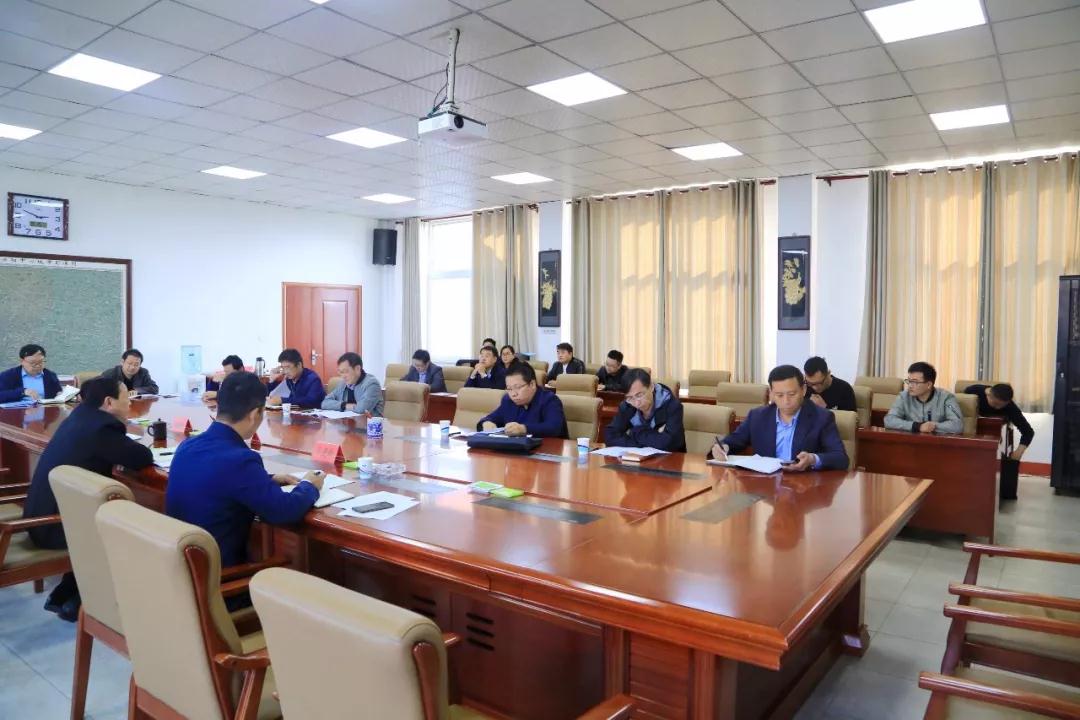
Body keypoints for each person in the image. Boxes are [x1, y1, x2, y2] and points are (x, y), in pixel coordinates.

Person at [24, 376, 154, 621]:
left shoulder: (80, 417)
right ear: (109, 402)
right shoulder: (103, 428)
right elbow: (141, 457)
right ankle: (88, 603)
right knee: (130, 532)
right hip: (55, 526)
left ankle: (65, 596)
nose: (130, 402)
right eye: (126, 397)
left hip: (41, 515)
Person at [166, 371, 323, 571]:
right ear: (255, 414)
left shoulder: (188, 445)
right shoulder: (240, 460)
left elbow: (221, 479)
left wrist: (269, 479)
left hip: (181, 572)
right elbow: (284, 511)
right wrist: (309, 485)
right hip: (221, 579)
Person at [711, 365, 849, 471]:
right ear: (771, 394)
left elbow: (841, 458)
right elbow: (733, 441)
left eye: (792, 394)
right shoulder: (757, 416)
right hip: (766, 487)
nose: (786, 401)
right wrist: (723, 447)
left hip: (803, 487)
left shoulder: (822, 418)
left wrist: (812, 459)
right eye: (779, 395)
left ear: (804, 390)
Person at [604, 369, 686, 452]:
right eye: (630, 398)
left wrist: (636, 432)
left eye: (639, 395)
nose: (636, 403)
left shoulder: (672, 406)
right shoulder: (627, 406)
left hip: (670, 458)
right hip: (637, 457)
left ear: (651, 387)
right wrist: (644, 443)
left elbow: (671, 443)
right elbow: (610, 436)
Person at [477, 363, 567, 438]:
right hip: (516, 450)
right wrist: (486, 423)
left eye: (517, 387)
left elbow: (554, 427)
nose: (513, 394)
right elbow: (491, 418)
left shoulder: (549, 400)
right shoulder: (508, 400)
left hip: (548, 451)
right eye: (509, 388)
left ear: (532, 384)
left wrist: (524, 429)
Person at [884, 361, 963, 435]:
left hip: (938, 442)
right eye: (909, 381)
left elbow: (957, 425)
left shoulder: (946, 398)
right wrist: (917, 426)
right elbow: (889, 420)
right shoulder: (903, 397)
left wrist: (932, 426)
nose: (910, 385)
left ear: (929, 385)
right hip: (910, 441)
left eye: (915, 382)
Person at [965, 382, 1034, 460]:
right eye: (995, 404)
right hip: (973, 430)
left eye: (1002, 405)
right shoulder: (975, 391)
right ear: (989, 395)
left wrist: (1018, 452)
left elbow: (1028, 432)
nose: (998, 408)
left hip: (996, 432)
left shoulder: (1010, 407)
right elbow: (963, 397)